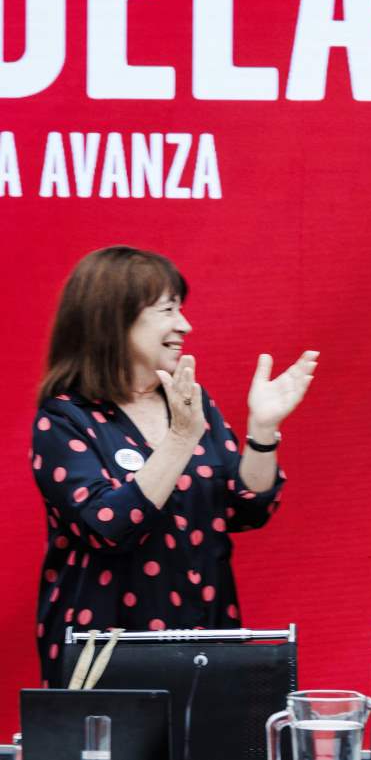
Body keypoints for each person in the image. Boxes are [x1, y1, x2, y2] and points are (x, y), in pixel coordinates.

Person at [31, 246, 318, 684]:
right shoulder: (66, 418)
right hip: (105, 655)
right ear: (113, 318)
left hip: (207, 639)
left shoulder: (189, 403)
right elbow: (107, 526)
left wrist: (262, 430)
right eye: (167, 310)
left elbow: (247, 509)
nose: (184, 325)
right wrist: (181, 439)